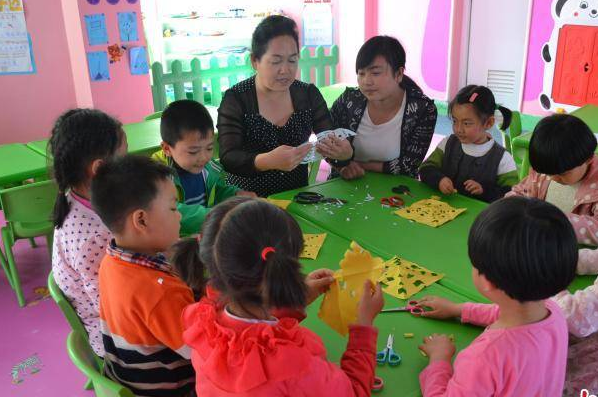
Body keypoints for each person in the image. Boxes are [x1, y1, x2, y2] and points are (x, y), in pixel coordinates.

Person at [177, 197, 384, 396]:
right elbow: (353, 392)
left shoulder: (201, 321)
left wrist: (294, 300)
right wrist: (363, 329)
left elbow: (251, 333)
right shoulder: (294, 367)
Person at [416, 197, 577, 396]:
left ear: (488, 282)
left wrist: (439, 360)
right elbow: (500, 312)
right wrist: (458, 309)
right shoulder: (553, 312)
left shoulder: (483, 358)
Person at [91, 155, 195, 396]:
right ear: (141, 219)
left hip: (126, 375)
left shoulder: (111, 260)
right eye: (173, 208)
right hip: (168, 388)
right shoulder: (161, 293)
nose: (179, 216)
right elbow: (205, 354)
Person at [217, 15, 352, 197]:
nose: (285, 70)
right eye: (276, 61)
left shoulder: (308, 95)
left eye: (292, 60)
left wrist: (344, 155)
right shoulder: (237, 99)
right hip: (248, 203)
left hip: (297, 199)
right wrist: (266, 161)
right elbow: (229, 157)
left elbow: (328, 140)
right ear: (255, 61)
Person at [50, 108, 127, 356]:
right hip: (113, 339)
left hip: (105, 317)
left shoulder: (73, 195)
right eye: (123, 157)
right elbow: (112, 309)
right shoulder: (93, 237)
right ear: (99, 168)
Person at [328, 35, 437, 180]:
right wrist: (341, 166)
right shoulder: (348, 100)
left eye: (375, 73)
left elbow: (408, 165)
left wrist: (352, 163)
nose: (367, 81)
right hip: (345, 186)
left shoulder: (422, 110)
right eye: (361, 73)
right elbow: (325, 139)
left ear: (398, 74)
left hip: (396, 193)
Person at [152, 99, 255, 236]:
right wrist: (215, 215)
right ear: (167, 148)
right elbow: (171, 210)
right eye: (193, 152)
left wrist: (235, 195)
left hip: (206, 231)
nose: (204, 157)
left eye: (209, 148)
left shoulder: (209, 168)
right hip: (175, 241)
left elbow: (218, 190)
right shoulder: (157, 176)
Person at [507, 114, 598, 245]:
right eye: (547, 172)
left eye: (562, 173)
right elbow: (521, 192)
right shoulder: (545, 171)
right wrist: (509, 206)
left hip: (574, 253)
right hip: (541, 244)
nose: (552, 178)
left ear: (588, 159)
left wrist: (554, 221)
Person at [419, 85, 518, 202]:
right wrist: (439, 180)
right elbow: (425, 168)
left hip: (481, 218)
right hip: (442, 211)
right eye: (455, 121)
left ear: (489, 123)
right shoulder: (447, 144)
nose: (458, 129)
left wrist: (484, 190)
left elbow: (513, 195)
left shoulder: (503, 159)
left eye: (466, 123)